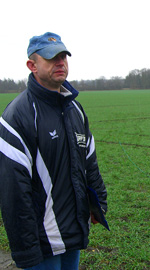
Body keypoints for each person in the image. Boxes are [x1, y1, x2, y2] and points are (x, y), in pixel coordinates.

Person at [0, 32, 108, 269]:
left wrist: (98, 205)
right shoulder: (17, 116)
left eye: (63, 57)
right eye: (51, 58)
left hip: (73, 233)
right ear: (32, 65)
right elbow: (13, 192)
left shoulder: (75, 110)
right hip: (41, 242)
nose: (60, 63)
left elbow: (90, 164)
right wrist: (27, 250)